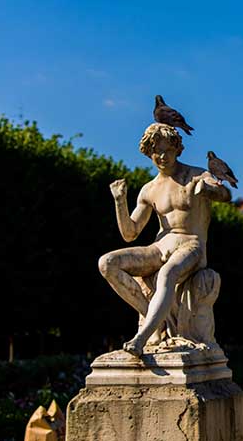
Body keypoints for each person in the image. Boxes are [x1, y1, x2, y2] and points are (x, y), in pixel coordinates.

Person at [98, 123, 231, 355]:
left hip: (191, 245)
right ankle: (154, 317)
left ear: (177, 149)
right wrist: (120, 201)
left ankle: (142, 337)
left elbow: (225, 194)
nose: (162, 156)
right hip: (159, 247)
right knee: (107, 263)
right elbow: (130, 233)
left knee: (168, 273)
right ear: (149, 152)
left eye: (167, 150)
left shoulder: (197, 174)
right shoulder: (149, 189)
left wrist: (208, 190)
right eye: (156, 151)